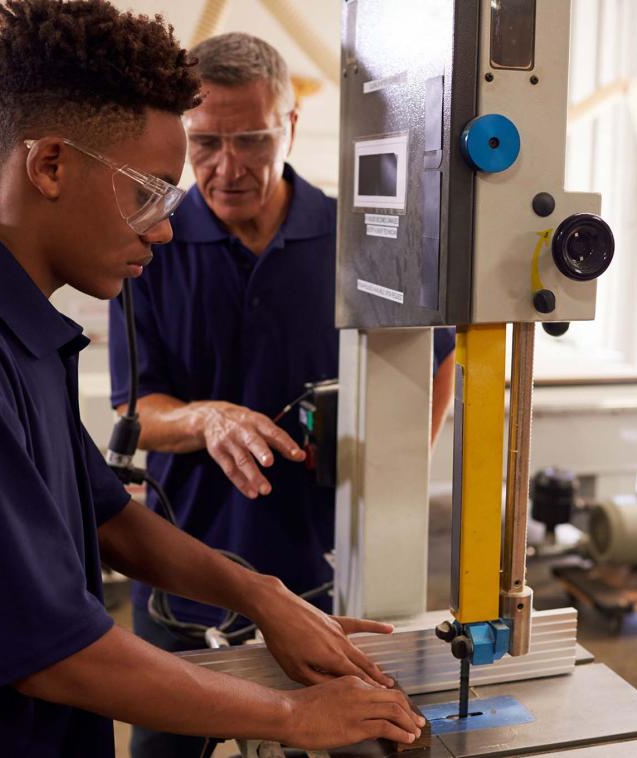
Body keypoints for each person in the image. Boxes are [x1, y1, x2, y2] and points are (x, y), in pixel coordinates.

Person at [0, 3, 424, 756]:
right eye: (149, 192)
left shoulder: (9, 327)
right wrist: (293, 719)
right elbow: (50, 652)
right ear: (49, 165)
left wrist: (259, 595)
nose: (165, 227)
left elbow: (107, 517)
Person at [107, 31, 455, 757]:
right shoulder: (151, 243)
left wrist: (391, 472)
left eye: (252, 140)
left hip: (326, 584)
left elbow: (437, 356)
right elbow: (133, 411)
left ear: (291, 126)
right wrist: (207, 419)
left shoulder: (359, 237)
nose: (226, 167)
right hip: (182, 578)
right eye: (204, 143)